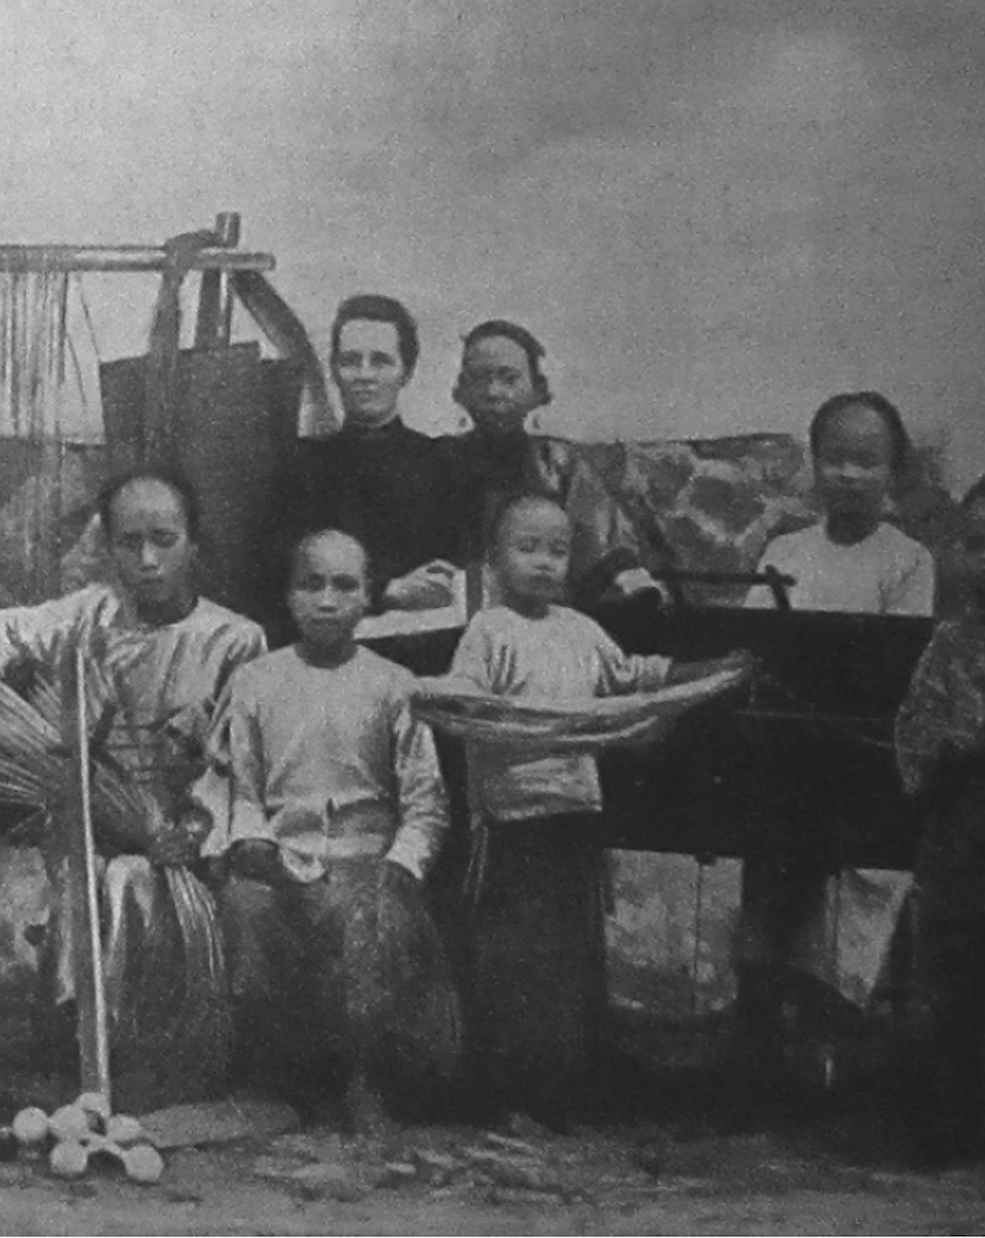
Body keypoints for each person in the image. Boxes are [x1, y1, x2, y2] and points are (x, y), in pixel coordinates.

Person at [0, 469, 265, 1105]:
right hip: (95, 821)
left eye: (164, 540)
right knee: (95, 875)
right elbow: (7, 632)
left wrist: (193, 831)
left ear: (194, 543)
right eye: (128, 542)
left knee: (128, 883)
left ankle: (148, 1061)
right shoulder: (89, 616)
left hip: (191, 837)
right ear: (108, 549)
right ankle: (82, 1051)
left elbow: (240, 761)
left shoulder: (233, 640)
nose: (146, 559)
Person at [446, 493, 731, 1125]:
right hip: (511, 822)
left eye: (558, 550)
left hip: (574, 815)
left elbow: (632, 677)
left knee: (569, 954)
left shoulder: (581, 630)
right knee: (510, 957)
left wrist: (709, 673)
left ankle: (559, 1090)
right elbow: (464, 701)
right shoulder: (488, 631)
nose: (544, 563)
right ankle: (503, 1092)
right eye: (527, 548)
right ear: (494, 561)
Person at [208, 529, 459, 1133]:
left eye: (344, 586)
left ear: (368, 597)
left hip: (365, 860)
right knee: (245, 907)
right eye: (310, 584)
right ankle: (276, 1080)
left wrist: (399, 868)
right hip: (281, 857)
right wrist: (254, 843)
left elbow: (426, 803)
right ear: (289, 596)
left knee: (367, 919)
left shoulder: (394, 684)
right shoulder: (256, 682)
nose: (326, 600)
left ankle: (363, 1079)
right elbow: (240, 786)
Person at [734, 392, 937, 1057]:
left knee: (852, 870)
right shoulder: (786, 549)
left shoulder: (906, 561)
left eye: (866, 461)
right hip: (786, 755)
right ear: (814, 465)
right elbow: (749, 644)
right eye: (834, 459)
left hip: (862, 762)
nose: (848, 474)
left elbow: (897, 668)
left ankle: (831, 1031)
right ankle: (757, 1027)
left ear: (892, 472)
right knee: (769, 851)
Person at [894, 475, 985, 1165]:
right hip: (965, 825)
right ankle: (955, 1119)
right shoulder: (951, 645)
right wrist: (950, 751)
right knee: (955, 971)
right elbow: (917, 734)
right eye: (981, 544)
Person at [443, 320, 661, 602]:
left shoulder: (560, 464)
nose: (493, 392)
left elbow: (603, 547)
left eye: (509, 379)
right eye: (479, 379)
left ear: (538, 390)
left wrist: (630, 581)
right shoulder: (439, 460)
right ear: (460, 391)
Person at [284, 295, 471, 616]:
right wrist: (387, 590)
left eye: (381, 361)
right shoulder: (302, 466)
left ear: (407, 371)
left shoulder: (442, 464)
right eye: (351, 361)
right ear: (334, 369)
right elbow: (282, 574)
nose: (364, 375)